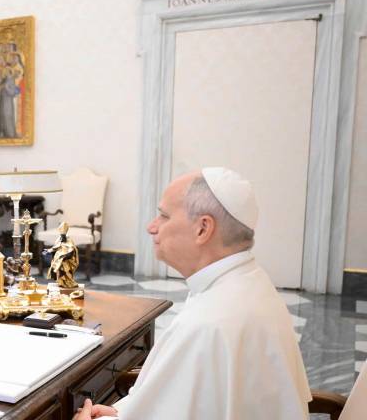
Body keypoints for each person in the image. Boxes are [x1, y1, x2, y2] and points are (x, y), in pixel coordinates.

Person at [75, 167, 311, 420]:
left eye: (164, 216)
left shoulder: (209, 325)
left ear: (203, 229)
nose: (152, 227)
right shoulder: (249, 282)